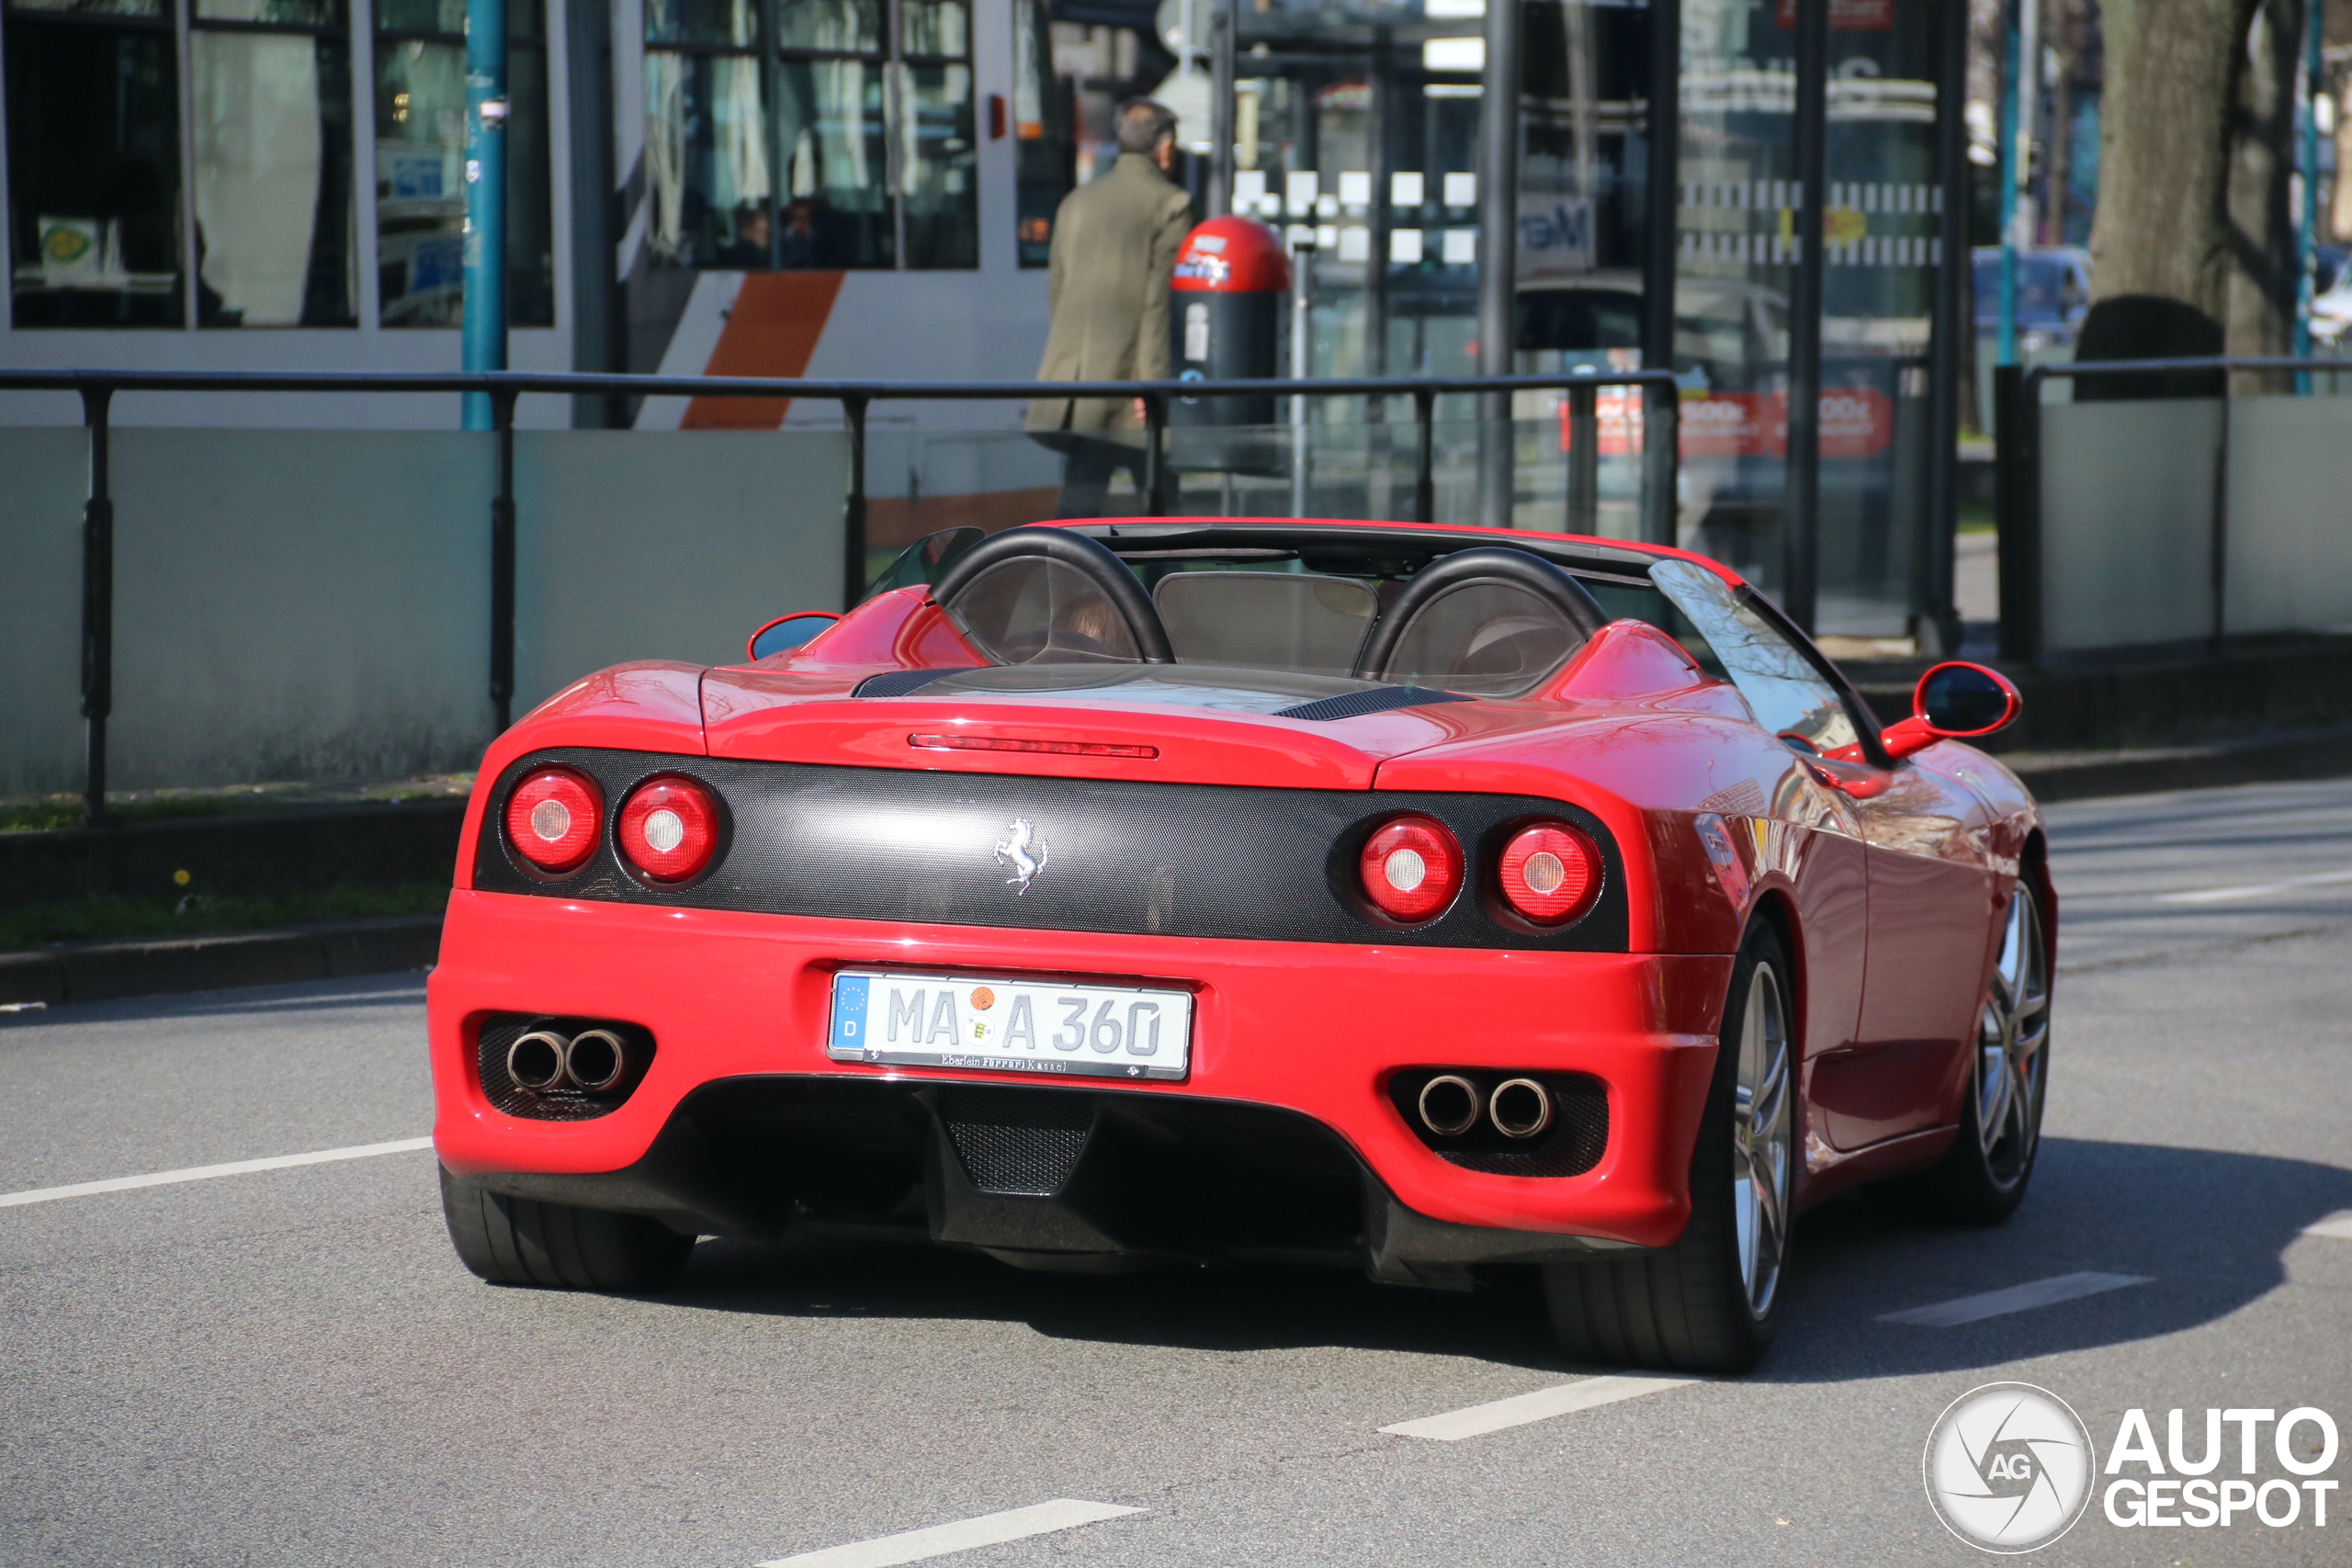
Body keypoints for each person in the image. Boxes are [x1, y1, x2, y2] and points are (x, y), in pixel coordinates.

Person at [1026, 99, 1193, 518]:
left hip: (1079, 383)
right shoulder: (1171, 204)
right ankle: (1163, 586)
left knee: (1080, 503)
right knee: (1162, 507)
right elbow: (1159, 302)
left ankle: (1060, 582)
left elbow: (1058, 290)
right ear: (1166, 147)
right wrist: (1153, 386)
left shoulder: (1075, 202)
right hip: (1132, 386)